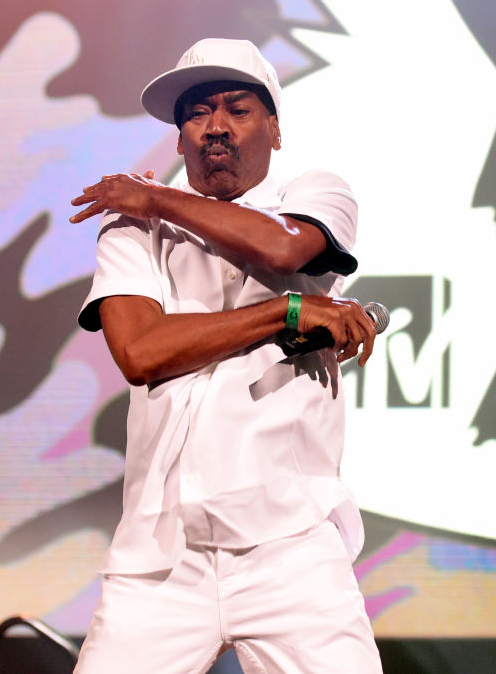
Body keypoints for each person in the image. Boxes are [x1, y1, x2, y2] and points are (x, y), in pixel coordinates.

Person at [68, 38, 383, 673]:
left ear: (274, 128)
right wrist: (284, 312)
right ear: (179, 138)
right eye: (196, 113)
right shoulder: (132, 224)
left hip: (291, 544)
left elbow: (282, 250)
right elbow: (141, 352)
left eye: (237, 110)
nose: (215, 126)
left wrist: (156, 196)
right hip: (162, 553)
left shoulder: (316, 193)